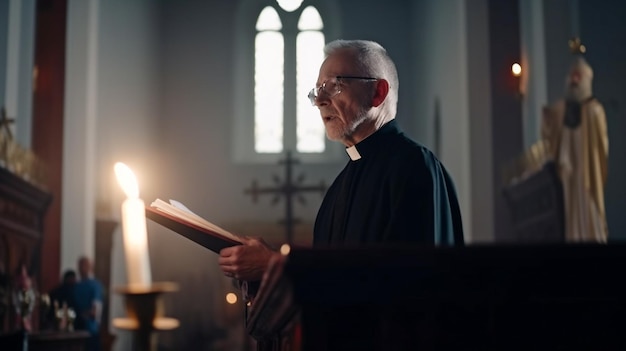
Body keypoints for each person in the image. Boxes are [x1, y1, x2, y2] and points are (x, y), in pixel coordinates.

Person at [219, 39, 464, 283]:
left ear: (378, 92)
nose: (319, 100)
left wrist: (276, 266)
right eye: (317, 90)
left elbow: (412, 280)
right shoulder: (339, 187)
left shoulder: (413, 166)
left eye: (334, 86)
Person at [541, 54, 608, 243]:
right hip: (569, 172)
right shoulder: (563, 108)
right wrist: (547, 118)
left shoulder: (594, 109)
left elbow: (600, 143)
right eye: (572, 76)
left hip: (587, 170)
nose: (574, 81)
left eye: (578, 77)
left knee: (589, 207)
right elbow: (551, 127)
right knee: (571, 209)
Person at [74, 256, 103, 351]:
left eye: (85, 265)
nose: (82, 268)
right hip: (76, 331)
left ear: (90, 267)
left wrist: (83, 315)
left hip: (90, 331)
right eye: (81, 266)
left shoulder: (95, 286)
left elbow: (95, 311)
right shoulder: (76, 286)